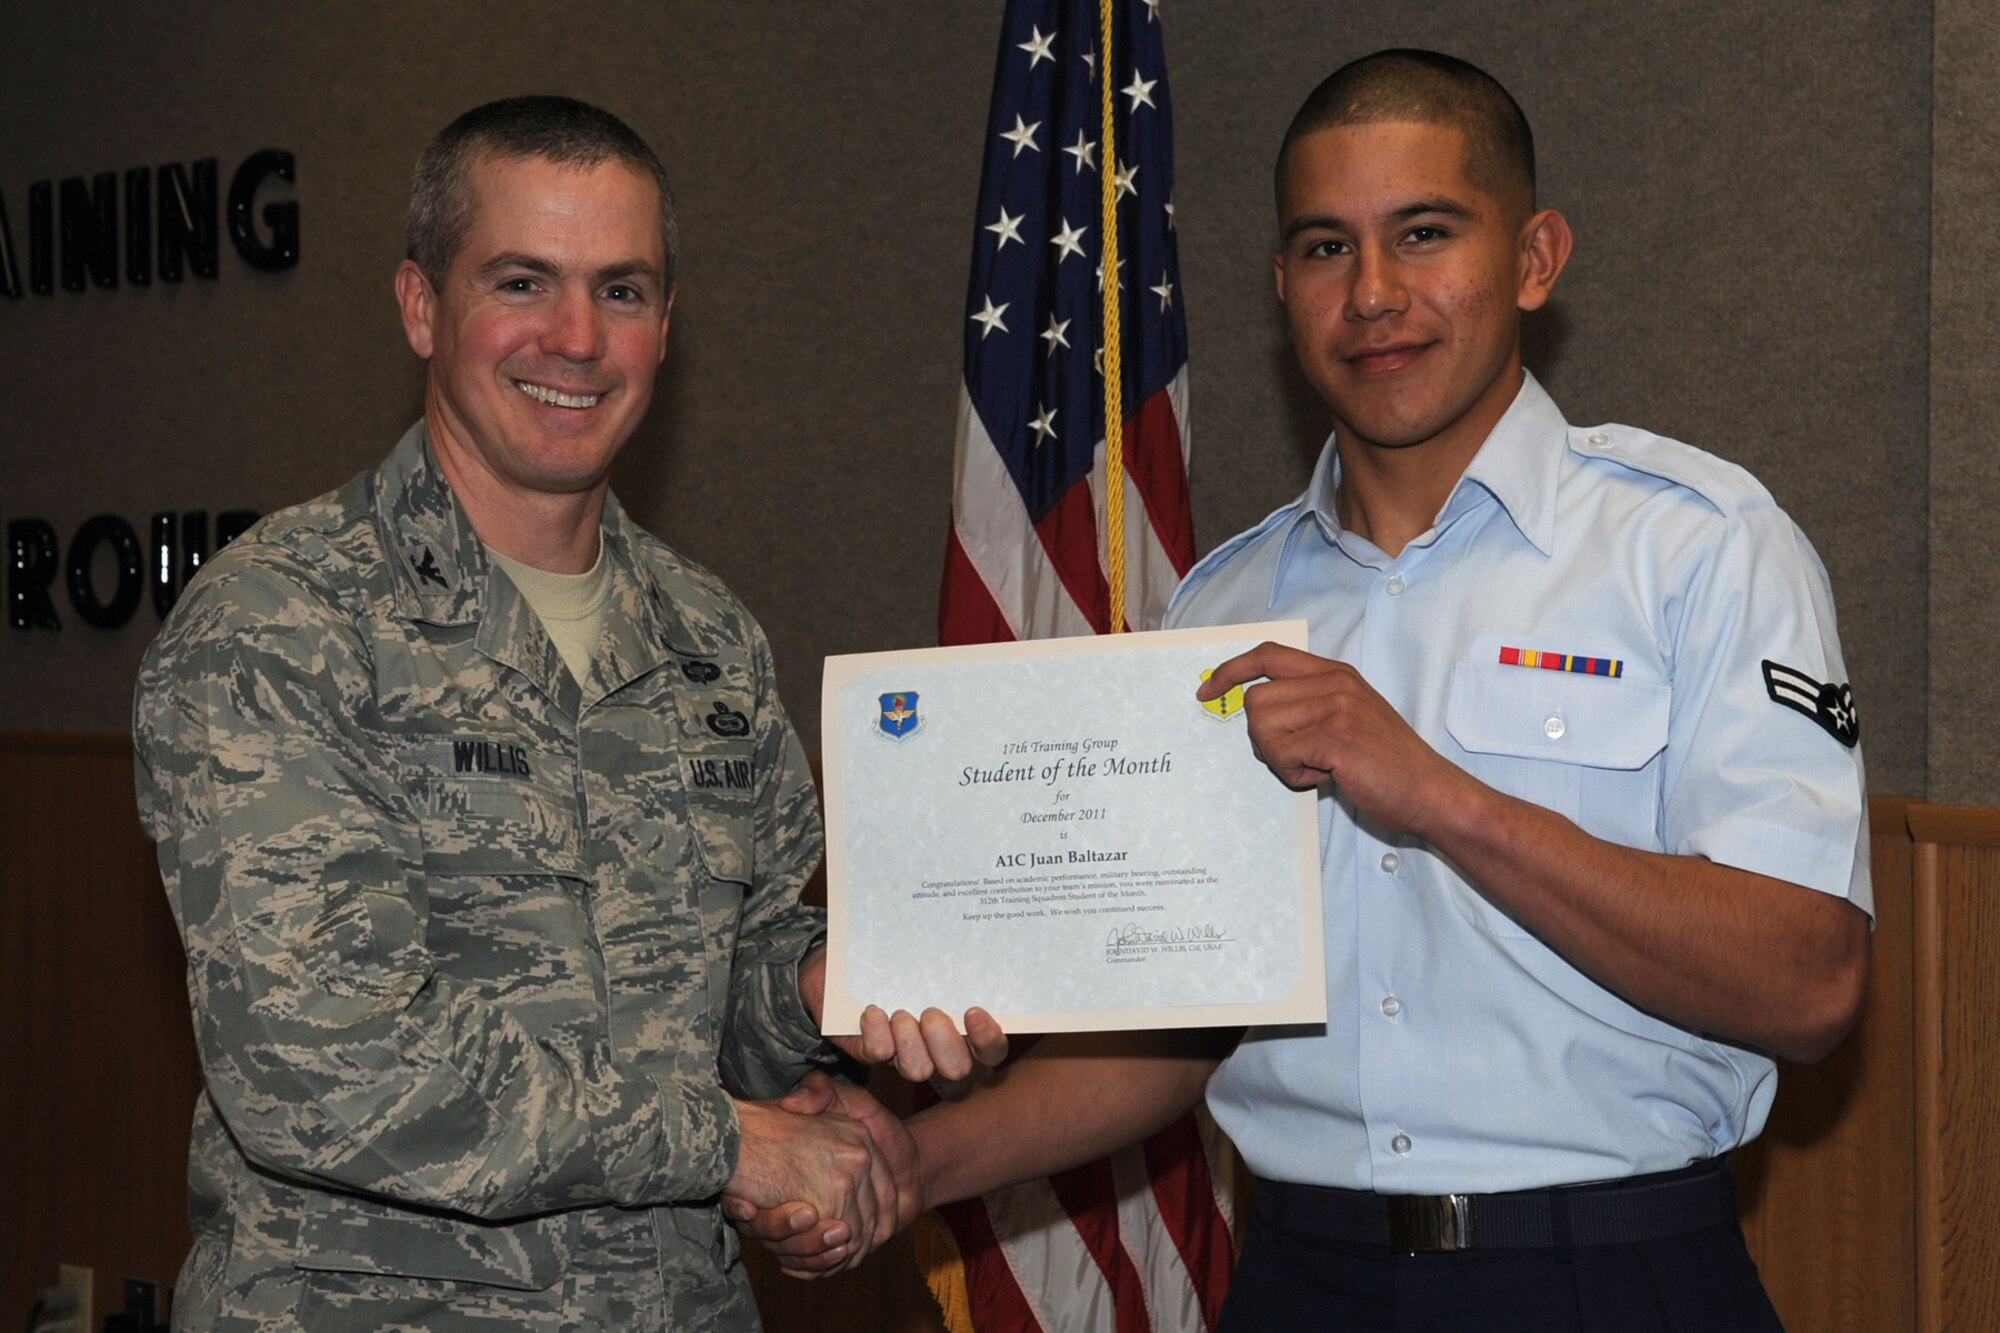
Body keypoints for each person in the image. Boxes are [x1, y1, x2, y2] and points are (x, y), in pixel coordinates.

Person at [738, 50, 1871, 1330]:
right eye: (1326, 248)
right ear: (1281, 287)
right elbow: (1183, 1033)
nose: (1372, 293)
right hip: (1300, 1278)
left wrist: (1438, 794)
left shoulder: (1696, 547)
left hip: (1608, 1270)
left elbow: (1810, 984)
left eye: (1423, 233)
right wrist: (906, 1163)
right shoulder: (1221, 610)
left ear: (1533, 258)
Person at [134, 95, 999, 1331]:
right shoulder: (282, 624)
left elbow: (723, 995)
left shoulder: (707, 637)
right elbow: (326, 1063)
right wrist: (735, 1146)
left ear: (667, 323)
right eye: (522, 282)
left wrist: (824, 992)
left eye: (622, 290)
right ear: (421, 306)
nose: (578, 337)